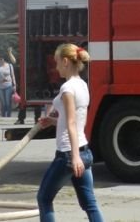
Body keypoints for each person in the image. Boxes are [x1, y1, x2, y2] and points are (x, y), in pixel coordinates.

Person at [36, 43, 103, 222]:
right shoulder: (83, 85)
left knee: (44, 198)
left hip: (68, 154)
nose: (55, 67)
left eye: (56, 62)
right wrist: (53, 121)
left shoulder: (67, 89)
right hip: (85, 151)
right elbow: (76, 120)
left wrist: (74, 157)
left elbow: (72, 123)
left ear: (65, 61)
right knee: (89, 203)